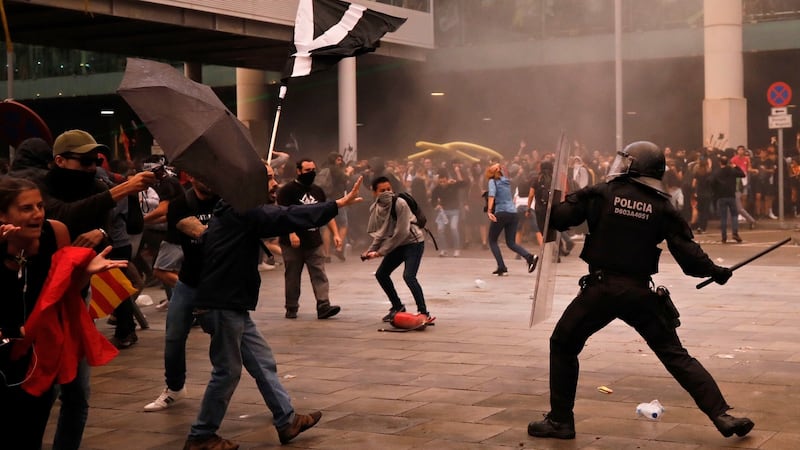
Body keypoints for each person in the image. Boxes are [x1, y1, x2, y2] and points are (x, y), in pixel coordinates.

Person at [527, 141, 754, 441]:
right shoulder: (662, 205)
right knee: (676, 355)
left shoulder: (602, 192)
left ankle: (560, 421)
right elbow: (689, 256)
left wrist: (549, 196)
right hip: (639, 292)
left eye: (625, 161)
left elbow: (558, 218)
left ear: (634, 165)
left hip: (601, 289)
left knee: (563, 344)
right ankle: (722, 415)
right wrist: (716, 271)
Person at [182, 167, 364, 449]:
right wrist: (336, 204)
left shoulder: (232, 209)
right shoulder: (242, 210)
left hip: (233, 303)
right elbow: (286, 216)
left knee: (262, 362)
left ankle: (286, 420)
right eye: (268, 177)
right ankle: (201, 435)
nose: (275, 182)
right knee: (227, 371)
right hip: (222, 303)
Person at [43, 129, 156, 450]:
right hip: (41, 299)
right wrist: (121, 191)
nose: (92, 166)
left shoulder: (95, 184)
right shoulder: (41, 187)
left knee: (77, 394)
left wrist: (103, 229)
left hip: (78, 296)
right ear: (60, 161)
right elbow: (60, 215)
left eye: (96, 160)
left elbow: (122, 225)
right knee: (43, 390)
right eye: (84, 161)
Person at [0, 177, 126, 450]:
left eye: (40, 206)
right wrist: (9, 254)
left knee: (36, 425)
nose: (37, 214)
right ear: (3, 215)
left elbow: (66, 290)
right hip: (6, 352)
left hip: (44, 348)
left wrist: (85, 272)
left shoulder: (55, 232)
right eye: (26, 209)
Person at [143, 175, 219, 412]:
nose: (207, 179)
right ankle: (174, 387)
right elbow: (180, 244)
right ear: (192, 177)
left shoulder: (227, 201)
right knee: (174, 336)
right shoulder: (180, 204)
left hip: (220, 283)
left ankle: (222, 387)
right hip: (189, 282)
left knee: (228, 340)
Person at [276, 158, 342, 320]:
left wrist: (336, 234)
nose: (311, 173)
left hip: (314, 240)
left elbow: (326, 212)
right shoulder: (287, 190)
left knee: (319, 272)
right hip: (293, 243)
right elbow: (283, 214)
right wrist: (291, 233)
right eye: (307, 170)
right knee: (292, 275)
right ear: (298, 171)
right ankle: (291, 306)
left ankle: (323, 304)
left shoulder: (318, 191)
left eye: (313, 169)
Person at [362, 176, 434, 323]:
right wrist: (370, 250)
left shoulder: (400, 203)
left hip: (413, 243)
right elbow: (381, 232)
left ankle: (423, 312)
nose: (387, 193)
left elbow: (402, 232)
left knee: (409, 276)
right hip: (398, 244)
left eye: (389, 189)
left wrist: (381, 252)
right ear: (374, 192)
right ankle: (397, 306)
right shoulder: (378, 207)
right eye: (382, 190)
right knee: (381, 274)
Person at [485, 163, 538, 276]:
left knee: (492, 240)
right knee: (511, 242)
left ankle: (501, 266)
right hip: (513, 213)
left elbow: (492, 196)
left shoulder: (492, 181)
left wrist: (489, 211)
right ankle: (529, 257)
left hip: (501, 212)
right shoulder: (506, 181)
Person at [430, 167, 467, 257]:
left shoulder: (453, 185)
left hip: (454, 211)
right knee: (440, 230)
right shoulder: (437, 188)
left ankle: (457, 249)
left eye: (444, 181)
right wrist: (436, 205)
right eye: (440, 182)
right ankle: (443, 250)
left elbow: (464, 184)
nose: (442, 183)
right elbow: (433, 200)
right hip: (443, 212)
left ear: (447, 179)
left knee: (453, 228)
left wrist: (456, 177)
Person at [711, 156, 746, 243]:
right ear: (728, 162)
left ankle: (724, 236)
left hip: (721, 196)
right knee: (734, 215)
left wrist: (716, 192)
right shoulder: (732, 170)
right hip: (731, 195)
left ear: (720, 162)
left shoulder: (717, 172)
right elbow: (743, 174)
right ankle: (735, 233)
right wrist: (736, 166)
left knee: (723, 217)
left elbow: (712, 182)